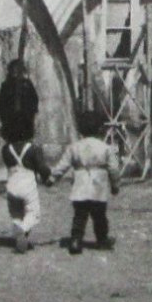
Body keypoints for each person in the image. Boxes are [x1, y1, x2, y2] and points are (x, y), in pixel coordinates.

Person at [55, 108, 122, 254]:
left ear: (80, 129)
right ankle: (102, 240)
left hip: (80, 186)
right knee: (100, 217)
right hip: (98, 187)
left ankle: (75, 241)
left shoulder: (74, 147)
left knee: (79, 216)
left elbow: (63, 165)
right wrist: (115, 185)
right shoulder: (106, 148)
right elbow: (114, 169)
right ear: (100, 128)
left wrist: (53, 177)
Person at [2, 138, 53, 253]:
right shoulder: (33, 148)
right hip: (27, 185)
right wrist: (47, 177)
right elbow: (42, 168)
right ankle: (23, 230)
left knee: (16, 214)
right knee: (33, 213)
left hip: (11, 185)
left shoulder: (5, 149)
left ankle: (19, 233)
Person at [0, 57, 40, 144]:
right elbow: (1, 105)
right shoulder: (6, 86)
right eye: (14, 70)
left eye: (19, 70)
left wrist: (31, 113)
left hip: (25, 120)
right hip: (11, 121)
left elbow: (34, 100)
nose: (16, 72)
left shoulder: (27, 84)